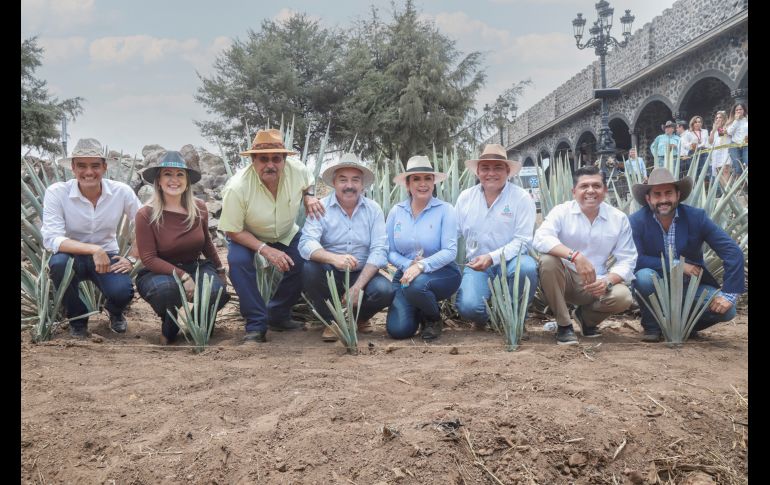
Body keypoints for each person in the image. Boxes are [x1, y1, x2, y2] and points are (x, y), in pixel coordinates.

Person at [219, 129, 325, 343]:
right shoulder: (237, 188)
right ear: (253, 160)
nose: (270, 164)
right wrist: (265, 249)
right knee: (237, 262)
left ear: (284, 160)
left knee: (304, 260)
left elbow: (308, 182)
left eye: (276, 158)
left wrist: (309, 197)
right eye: (263, 159)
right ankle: (256, 325)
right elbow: (232, 230)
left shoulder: (297, 169)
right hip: (248, 233)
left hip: (286, 232)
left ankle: (277, 314)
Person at [41, 138, 142, 338]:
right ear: (73, 168)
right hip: (72, 257)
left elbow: (145, 224)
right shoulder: (57, 193)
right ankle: (77, 318)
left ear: (104, 167)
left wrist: (132, 257)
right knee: (58, 264)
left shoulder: (121, 192)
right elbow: (51, 239)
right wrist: (94, 250)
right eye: (82, 166)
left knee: (123, 292)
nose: (89, 172)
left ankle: (114, 310)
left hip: (108, 257)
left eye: (95, 165)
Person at [629, 168, 745, 342]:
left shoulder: (696, 217)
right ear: (648, 198)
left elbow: (732, 251)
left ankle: (687, 326)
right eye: (657, 194)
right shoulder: (636, 221)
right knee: (643, 277)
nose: (663, 199)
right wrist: (677, 264)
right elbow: (635, 260)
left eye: (668, 193)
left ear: (678, 195)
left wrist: (729, 294)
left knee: (728, 310)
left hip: (689, 287)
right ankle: (652, 327)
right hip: (654, 283)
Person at [533, 165, 637, 345]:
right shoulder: (561, 211)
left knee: (623, 297)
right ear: (574, 191)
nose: (590, 190)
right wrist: (575, 256)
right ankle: (564, 325)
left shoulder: (618, 218)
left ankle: (586, 319)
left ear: (605, 190)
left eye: (596, 186)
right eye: (584, 186)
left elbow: (627, 259)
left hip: (597, 283)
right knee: (548, 260)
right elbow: (540, 238)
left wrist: (608, 280)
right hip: (564, 279)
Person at [135, 151, 230, 345]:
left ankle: (197, 325)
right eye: (168, 174)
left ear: (187, 181)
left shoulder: (199, 207)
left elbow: (206, 243)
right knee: (167, 292)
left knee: (215, 292)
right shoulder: (146, 214)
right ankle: (170, 327)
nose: (174, 180)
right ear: (158, 180)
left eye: (180, 175)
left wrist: (220, 270)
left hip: (195, 266)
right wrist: (183, 276)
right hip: (158, 271)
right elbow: (149, 258)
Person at [299, 153, 394, 342]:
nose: (349, 185)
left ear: (362, 184)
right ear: (334, 182)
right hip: (331, 272)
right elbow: (306, 244)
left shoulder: (373, 209)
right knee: (309, 270)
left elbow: (379, 249)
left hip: (362, 273)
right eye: (343, 180)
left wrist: (358, 286)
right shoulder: (321, 207)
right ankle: (331, 321)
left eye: (355, 180)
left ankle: (360, 318)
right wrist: (334, 258)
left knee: (385, 291)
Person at [454, 144, 539, 328]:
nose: (490, 173)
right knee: (469, 308)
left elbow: (523, 241)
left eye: (497, 167)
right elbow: (454, 233)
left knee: (527, 268)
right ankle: (489, 318)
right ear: (477, 171)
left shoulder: (521, 198)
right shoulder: (465, 198)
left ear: (508, 171)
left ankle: (514, 320)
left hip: (511, 262)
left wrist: (491, 258)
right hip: (477, 266)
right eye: (485, 168)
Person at [385, 156, 461, 340]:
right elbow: (388, 250)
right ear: (408, 184)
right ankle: (420, 307)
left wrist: (420, 266)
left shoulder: (446, 210)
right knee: (398, 331)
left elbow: (450, 251)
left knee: (417, 285)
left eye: (427, 178)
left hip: (442, 273)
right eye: (416, 179)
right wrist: (408, 264)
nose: (423, 184)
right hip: (405, 273)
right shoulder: (396, 211)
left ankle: (433, 318)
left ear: (433, 183)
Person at [708, 110, 731, 188]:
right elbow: (710, 141)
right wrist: (714, 130)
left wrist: (719, 128)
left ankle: (726, 189)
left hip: (725, 150)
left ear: (724, 118)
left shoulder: (727, 127)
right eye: (717, 118)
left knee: (725, 170)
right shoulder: (713, 130)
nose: (718, 119)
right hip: (716, 152)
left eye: (720, 117)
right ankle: (723, 191)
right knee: (718, 171)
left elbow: (722, 136)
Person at [725, 102, 748, 175]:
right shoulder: (732, 121)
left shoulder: (746, 119)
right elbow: (729, 132)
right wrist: (736, 120)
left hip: (746, 145)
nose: (738, 111)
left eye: (740, 109)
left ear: (744, 110)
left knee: (746, 165)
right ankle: (739, 185)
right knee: (737, 168)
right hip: (734, 146)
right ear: (734, 111)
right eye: (736, 110)